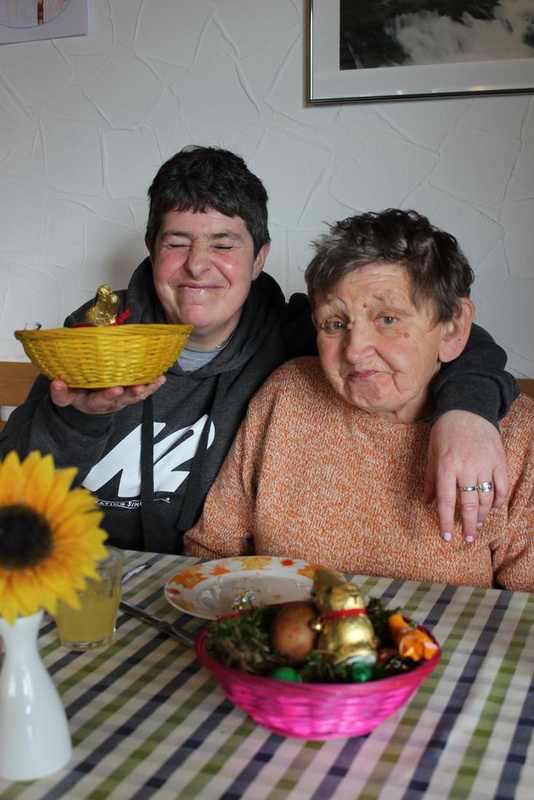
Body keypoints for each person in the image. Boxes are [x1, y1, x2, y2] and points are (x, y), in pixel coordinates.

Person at [0, 148, 518, 554]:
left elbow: (445, 334)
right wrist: (76, 421)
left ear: (259, 258)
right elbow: (12, 489)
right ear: (152, 252)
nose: (197, 264)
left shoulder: (297, 335)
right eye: (176, 242)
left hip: (194, 585)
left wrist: (466, 412)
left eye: (224, 244)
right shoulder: (99, 332)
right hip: (80, 570)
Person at [184, 209, 534, 590]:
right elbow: (212, 551)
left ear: (452, 327)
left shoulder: (518, 437)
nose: (354, 350)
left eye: (388, 319)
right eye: (335, 324)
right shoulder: (286, 395)